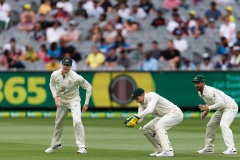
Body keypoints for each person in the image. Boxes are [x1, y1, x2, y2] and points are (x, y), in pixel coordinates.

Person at [45, 57, 92, 154]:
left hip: (73, 100)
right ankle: (56, 144)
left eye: (68, 65)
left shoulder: (76, 77)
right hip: (62, 100)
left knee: (77, 121)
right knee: (58, 122)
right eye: (64, 64)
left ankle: (82, 147)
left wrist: (86, 103)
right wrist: (55, 97)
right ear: (62, 64)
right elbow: (51, 84)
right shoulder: (55, 74)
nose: (66, 66)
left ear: (71, 66)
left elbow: (88, 87)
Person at [125, 88, 183, 157]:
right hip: (163, 116)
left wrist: (136, 117)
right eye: (135, 100)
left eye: (137, 98)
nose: (137, 101)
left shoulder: (152, 96)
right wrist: (134, 121)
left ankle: (168, 151)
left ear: (142, 95)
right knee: (146, 129)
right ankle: (160, 150)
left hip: (175, 113)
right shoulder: (141, 104)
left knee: (159, 125)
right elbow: (141, 118)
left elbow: (150, 110)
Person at [192, 75, 238, 154]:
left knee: (224, 125)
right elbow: (210, 101)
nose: (196, 85)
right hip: (221, 109)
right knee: (210, 125)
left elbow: (221, 103)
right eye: (195, 83)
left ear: (203, 83)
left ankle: (232, 149)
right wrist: (206, 111)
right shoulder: (200, 93)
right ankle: (209, 148)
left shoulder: (210, 92)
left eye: (198, 83)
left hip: (230, 106)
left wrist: (208, 108)